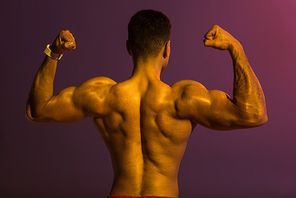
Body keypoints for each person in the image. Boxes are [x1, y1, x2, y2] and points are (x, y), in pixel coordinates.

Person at [26, 9, 267, 198]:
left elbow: (38, 110)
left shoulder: (102, 95)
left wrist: (54, 52)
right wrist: (236, 47)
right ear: (167, 49)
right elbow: (254, 114)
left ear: (129, 48)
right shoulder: (183, 98)